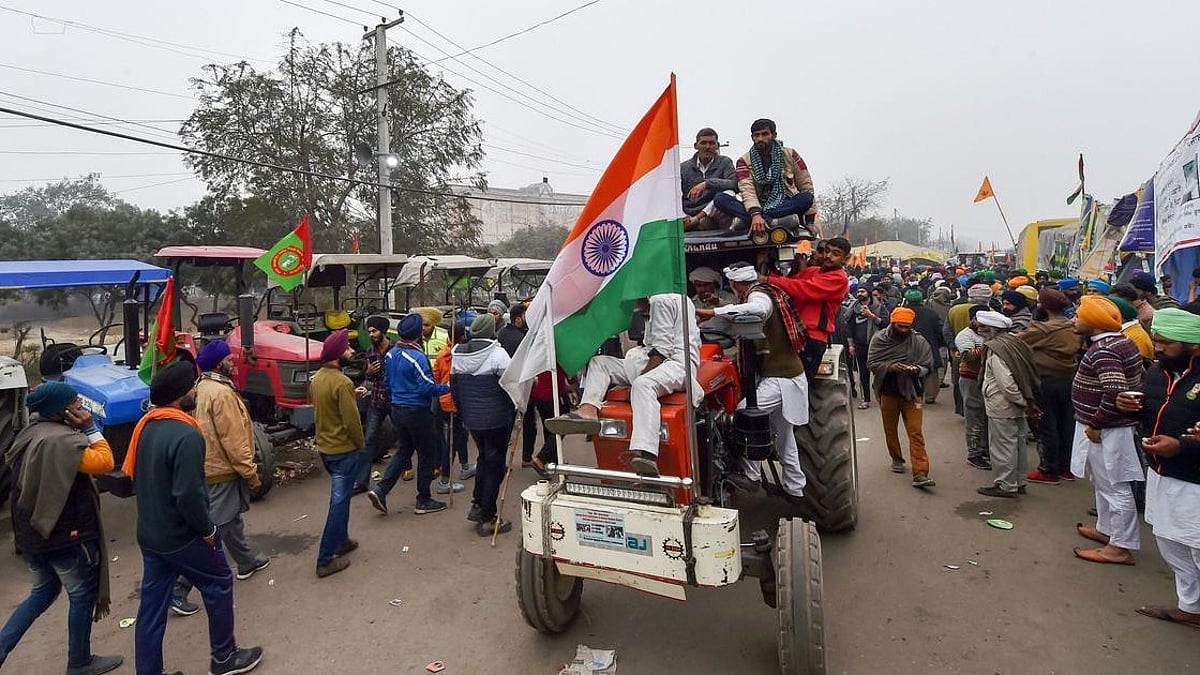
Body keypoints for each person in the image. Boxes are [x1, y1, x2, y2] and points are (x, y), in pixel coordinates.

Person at [124, 361, 263, 675]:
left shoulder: (146, 425)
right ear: (179, 394)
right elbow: (188, 494)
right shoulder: (186, 435)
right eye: (191, 386)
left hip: (150, 534)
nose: (196, 391)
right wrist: (208, 530)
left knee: (151, 608)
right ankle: (224, 657)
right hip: (180, 536)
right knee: (219, 582)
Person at [0, 382, 122, 675]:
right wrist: (91, 428)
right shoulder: (62, 443)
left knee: (41, 593)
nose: (81, 407)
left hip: (32, 536)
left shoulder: (31, 433)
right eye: (76, 404)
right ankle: (79, 662)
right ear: (63, 411)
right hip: (65, 536)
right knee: (81, 596)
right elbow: (105, 462)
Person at [546, 294, 701, 477]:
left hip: (676, 364)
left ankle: (646, 454)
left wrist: (636, 382)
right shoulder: (663, 301)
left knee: (643, 384)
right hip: (648, 359)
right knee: (600, 362)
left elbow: (661, 352)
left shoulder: (661, 300)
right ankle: (587, 411)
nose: (636, 307)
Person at [172, 341, 270, 611]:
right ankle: (179, 587)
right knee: (216, 527)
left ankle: (247, 560)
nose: (233, 362)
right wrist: (251, 474)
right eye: (229, 359)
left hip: (205, 467)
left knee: (231, 518)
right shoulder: (222, 394)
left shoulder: (199, 389)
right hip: (222, 470)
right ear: (219, 364)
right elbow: (233, 439)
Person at [697, 263, 809, 497]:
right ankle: (795, 489)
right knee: (784, 438)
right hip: (777, 375)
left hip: (782, 378)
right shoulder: (756, 294)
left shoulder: (759, 295)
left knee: (742, 415)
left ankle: (751, 475)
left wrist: (713, 312)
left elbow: (757, 310)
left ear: (736, 284)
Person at [1120, 308, 1200, 629]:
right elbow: (1152, 408)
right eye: (1157, 340)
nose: (1158, 348)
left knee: (1196, 546)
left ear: (1193, 343)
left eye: (1166, 342)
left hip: (1193, 481)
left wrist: (1183, 446)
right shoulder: (1158, 371)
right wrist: (1132, 409)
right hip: (1161, 473)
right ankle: (1191, 607)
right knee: (1170, 542)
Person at [1070, 296, 1145, 566]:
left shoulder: (1105, 350)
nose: (1074, 319)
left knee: (1115, 487)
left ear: (1094, 321)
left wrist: (1097, 423)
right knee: (1102, 483)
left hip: (1106, 429)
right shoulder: (1117, 342)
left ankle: (1120, 546)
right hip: (1105, 426)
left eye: (1079, 315)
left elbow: (1115, 392)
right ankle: (1107, 529)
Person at [369, 314, 451, 515]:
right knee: (427, 454)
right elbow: (426, 387)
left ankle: (381, 489)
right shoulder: (416, 357)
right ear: (417, 335)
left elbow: (387, 382)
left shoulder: (391, 354)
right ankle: (423, 499)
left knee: (405, 450)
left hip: (397, 409)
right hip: (416, 411)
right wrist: (448, 387)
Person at [452, 313, 515, 536]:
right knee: (495, 466)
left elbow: (456, 389)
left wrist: (465, 413)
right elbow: (511, 385)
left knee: (483, 459)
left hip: (473, 420)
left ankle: (478, 504)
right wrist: (515, 406)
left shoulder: (457, 355)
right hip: (497, 420)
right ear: (492, 330)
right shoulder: (498, 355)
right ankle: (488, 517)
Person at [309, 330, 364, 578]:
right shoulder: (343, 382)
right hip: (343, 450)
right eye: (348, 348)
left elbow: (327, 410)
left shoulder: (317, 379)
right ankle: (325, 559)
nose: (352, 351)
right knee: (338, 505)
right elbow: (352, 422)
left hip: (326, 448)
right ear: (338, 355)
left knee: (341, 501)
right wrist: (361, 445)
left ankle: (341, 541)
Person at [761, 237, 852, 379]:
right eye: (827, 251)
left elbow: (801, 288)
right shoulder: (813, 271)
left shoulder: (839, 278)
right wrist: (766, 268)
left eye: (835, 253)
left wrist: (767, 279)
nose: (828, 256)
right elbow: (791, 282)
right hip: (794, 333)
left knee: (800, 384)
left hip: (812, 338)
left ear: (846, 259)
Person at [867, 306, 936, 488]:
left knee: (915, 432)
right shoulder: (879, 339)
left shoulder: (918, 341)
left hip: (912, 392)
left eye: (907, 327)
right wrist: (891, 367)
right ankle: (896, 459)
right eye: (900, 326)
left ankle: (921, 472)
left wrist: (916, 369)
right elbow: (872, 363)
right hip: (888, 392)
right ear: (892, 323)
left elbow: (928, 365)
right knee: (890, 429)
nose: (904, 330)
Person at [975, 311, 1041, 498]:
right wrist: (1026, 402)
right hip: (1018, 404)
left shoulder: (996, 350)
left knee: (1003, 446)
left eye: (982, 327)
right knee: (1017, 444)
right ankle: (1019, 482)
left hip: (1003, 405)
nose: (979, 329)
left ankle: (1005, 485)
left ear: (992, 329)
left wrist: (1022, 402)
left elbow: (1006, 384)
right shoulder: (1015, 343)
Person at [713, 118, 816, 236]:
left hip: (784, 204)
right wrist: (755, 214)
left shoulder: (790, 154)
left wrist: (810, 222)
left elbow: (806, 185)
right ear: (752, 137)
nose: (760, 139)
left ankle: (750, 221)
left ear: (774, 135)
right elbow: (747, 190)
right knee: (720, 198)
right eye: (757, 135)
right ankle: (771, 222)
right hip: (756, 205)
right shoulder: (744, 161)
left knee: (807, 197)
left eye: (765, 134)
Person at [1020, 288, 1082, 484]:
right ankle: (1066, 468)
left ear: (1043, 306)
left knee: (1046, 425)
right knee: (1066, 424)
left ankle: (1048, 469)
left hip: (1046, 381)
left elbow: (1017, 341)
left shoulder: (1043, 330)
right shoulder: (1073, 326)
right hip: (1069, 379)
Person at [354, 315, 395, 493]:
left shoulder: (396, 350)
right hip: (377, 400)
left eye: (374, 331)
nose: (371, 334)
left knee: (405, 435)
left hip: (394, 400)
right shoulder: (371, 351)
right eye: (369, 331)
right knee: (369, 439)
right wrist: (368, 372)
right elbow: (369, 377)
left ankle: (406, 467)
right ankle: (362, 482)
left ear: (383, 332)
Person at [496, 303, 538, 468]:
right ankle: (526, 457)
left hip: (505, 385)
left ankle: (501, 460)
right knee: (529, 425)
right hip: (522, 384)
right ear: (519, 319)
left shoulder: (501, 334)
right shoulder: (522, 339)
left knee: (506, 425)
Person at [432, 321, 473, 487]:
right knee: (453, 442)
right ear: (463, 336)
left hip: (444, 400)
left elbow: (435, 377)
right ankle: (444, 480)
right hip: (455, 402)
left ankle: (465, 466)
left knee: (460, 435)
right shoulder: (459, 356)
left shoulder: (442, 354)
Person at [681, 127, 737, 231]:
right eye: (703, 143)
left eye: (711, 143)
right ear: (695, 146)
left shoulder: (725, 162)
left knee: (729, 193)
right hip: (688, 213)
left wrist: (707, 184)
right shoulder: (683, 168)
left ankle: (697, 220)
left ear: (717, 146)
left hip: (713, 213)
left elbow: (734, 184)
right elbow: (675, 195)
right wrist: (683, 216)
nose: (707, 147)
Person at [956, 305, 991, 469]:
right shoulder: (965, 335)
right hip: (970, 380)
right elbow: (967, 357)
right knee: (974, 417)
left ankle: (985, 449)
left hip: (987, 379)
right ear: (972, 319)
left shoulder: (988, 334)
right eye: (979, 320)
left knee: (986, 417)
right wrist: (988, 347)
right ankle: (974, 453)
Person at [845, 285, 889, 409]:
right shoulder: (854, 308)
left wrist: (871, 316)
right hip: (859, 345)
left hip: (876, 345)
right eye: (858, 291)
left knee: (879, 372)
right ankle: (866, 399)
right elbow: (849, 328)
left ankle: (882, 396)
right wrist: (851, 345)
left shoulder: (879, 307)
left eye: (862, 291)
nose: (860, 293)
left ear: (868, 293)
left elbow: (886, 324)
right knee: (863, 373)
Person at [901, 288, 945, 404]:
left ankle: (910, 393)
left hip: (907, 346)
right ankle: (930, 396)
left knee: (908, 369)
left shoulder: (901, 313)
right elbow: (939, 331)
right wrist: (939, 343)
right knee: (930, 370)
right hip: (929, 345)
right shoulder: (931, 313)